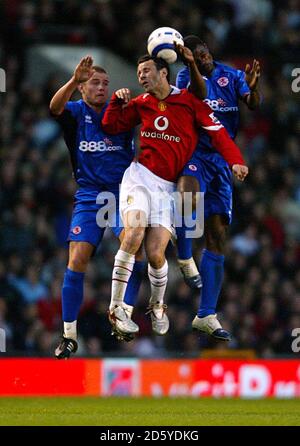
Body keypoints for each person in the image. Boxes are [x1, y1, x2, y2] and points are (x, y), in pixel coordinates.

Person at [101, 52, 248, 340]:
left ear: (164, 73)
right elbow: (112, 125)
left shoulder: (190, 104)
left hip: (167, 188)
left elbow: (218, 134)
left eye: (146, 71)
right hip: (139, 178)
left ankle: (157, 306)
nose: (141, 76)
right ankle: (116, 307)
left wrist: (236, 161)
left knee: (156, 255)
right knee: (133, 235)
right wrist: (116, 102)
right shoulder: (141, 104)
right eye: (139, 71)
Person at [49, 56, 145, 358]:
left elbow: (148, 110)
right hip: (90, 195)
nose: (102, 87)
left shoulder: (121, 112)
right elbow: (54, 108)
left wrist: (128, 98)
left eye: (106, 83)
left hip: (122, 193)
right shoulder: (76, 113)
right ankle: (68, 336)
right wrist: (72, 79)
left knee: (137, 251)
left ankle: (123, 314)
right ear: (82, 88)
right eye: (95, 82)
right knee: (76, 260)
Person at [175, 35, 261, 340]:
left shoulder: (231, 75)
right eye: (198, 56)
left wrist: (252, 87)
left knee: (217, 235)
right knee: (187, 199)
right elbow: (197, 94)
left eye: (205, 53)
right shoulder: (185, 76)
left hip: (222, 160)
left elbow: (252, 103)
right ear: (190, 60)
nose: (205, 58)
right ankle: (185, 256)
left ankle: (207, 313)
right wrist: (190, 65)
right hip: (196, 152)